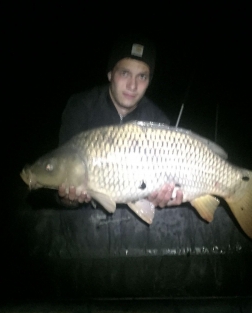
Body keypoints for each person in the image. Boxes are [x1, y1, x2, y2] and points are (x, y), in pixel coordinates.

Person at [57, 35, 183, 210]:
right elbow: (61, 183)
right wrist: (68, 199)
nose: (133, 85)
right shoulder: (80, 108)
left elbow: (152, 200)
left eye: (142, 76)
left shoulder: (158, 121)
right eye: (125, 73)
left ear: (149, 82)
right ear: (110, 74)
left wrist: (161, 201)